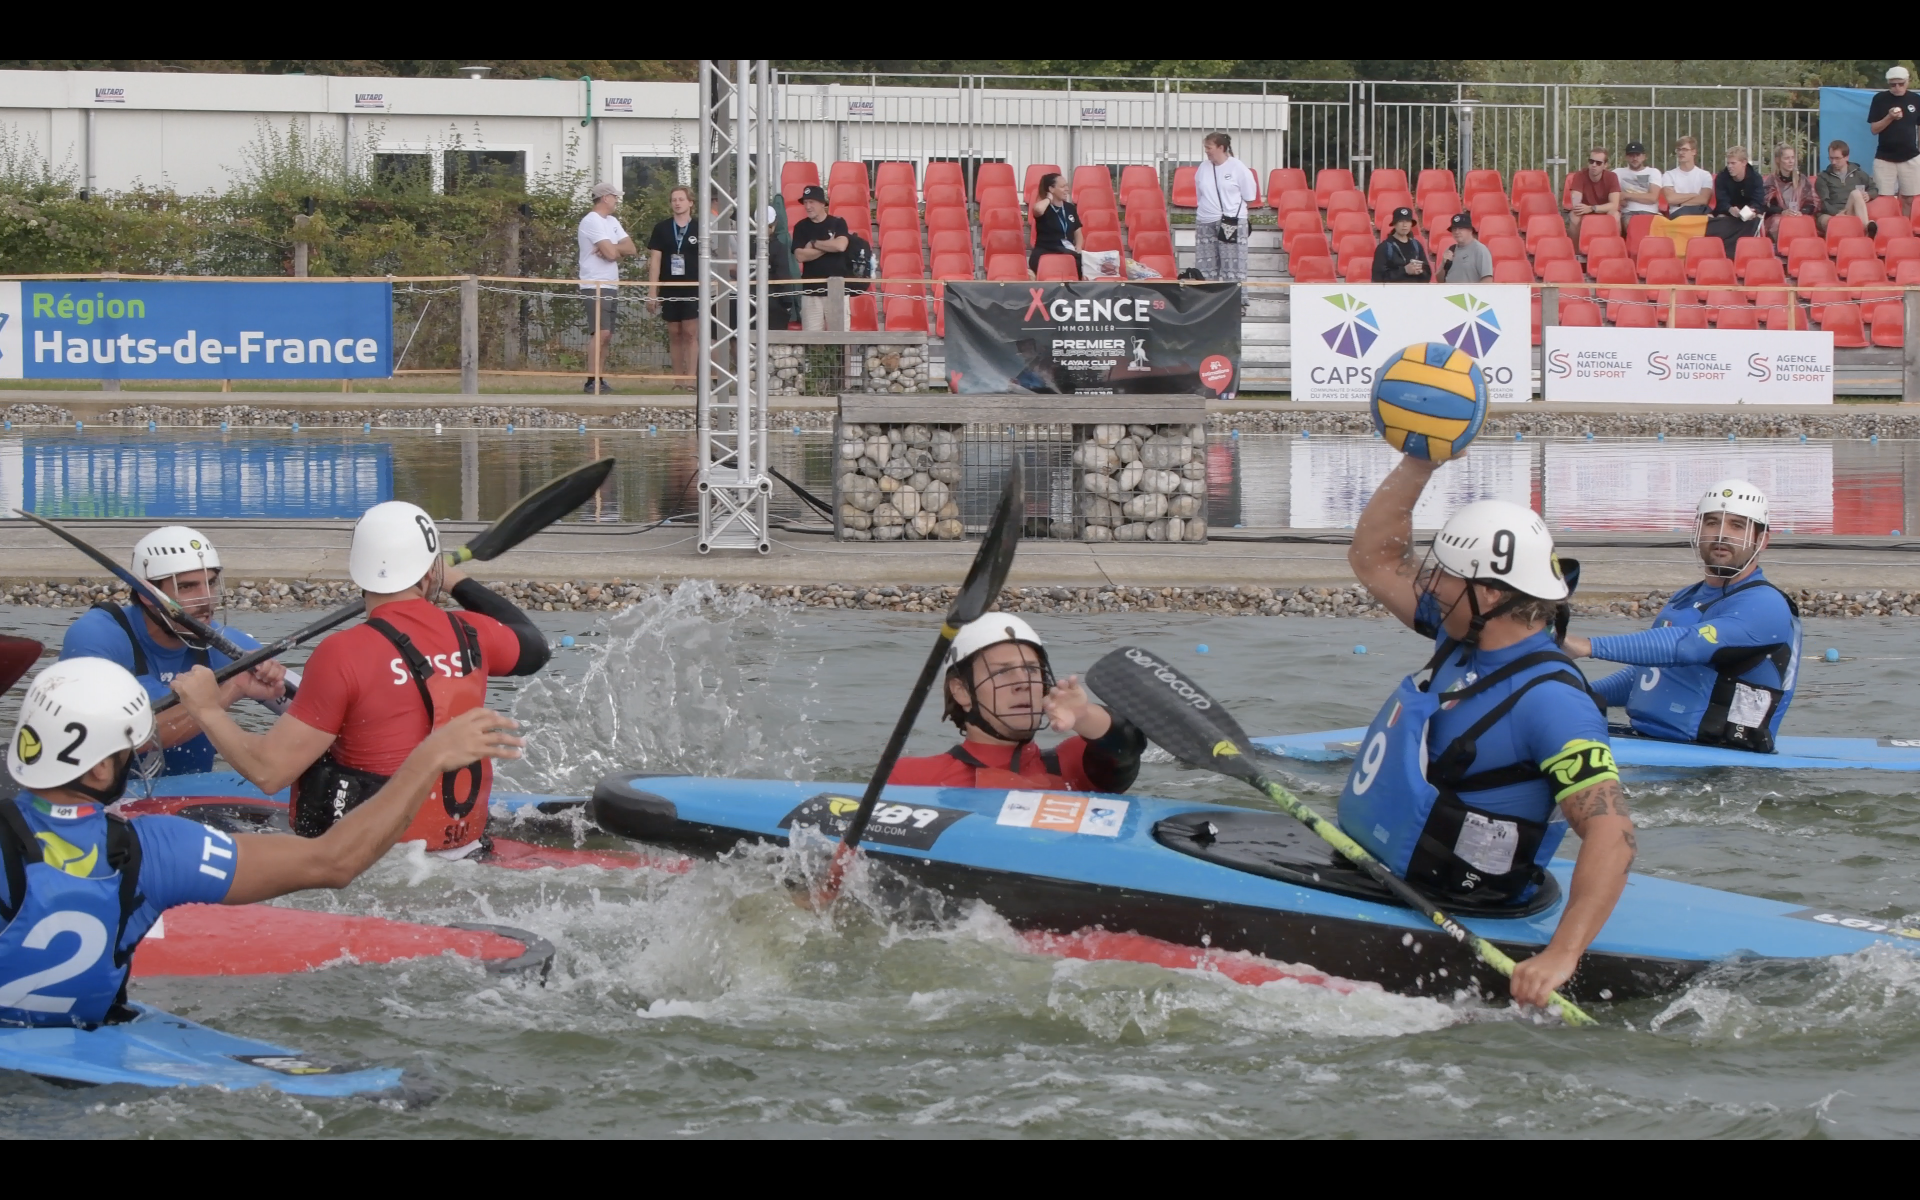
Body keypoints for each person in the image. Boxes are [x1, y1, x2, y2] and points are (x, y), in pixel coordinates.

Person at [0, 656, 522, 1029]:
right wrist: (427, 758)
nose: (140, 759)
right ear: (96, 770)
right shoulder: (156, 849)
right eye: (130, 752)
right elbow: (333, 862)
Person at [1345, 459, 1634, 1011]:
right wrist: (1420, 460)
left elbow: (1612, 832)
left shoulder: (1554, 703)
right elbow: (1373, 558)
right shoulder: (1462, 634)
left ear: (1492, 595)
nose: (1427, 581)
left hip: (1466, 902)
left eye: (1445, 573)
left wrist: (1562, 955)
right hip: (1392, 871)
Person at [168, 501, 550, 858]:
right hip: (468, 851)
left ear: (358, 570)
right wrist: (455, 580)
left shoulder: (343, 652)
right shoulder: (473, 634)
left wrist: (205, 708)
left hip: (373, 865)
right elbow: (534, 645)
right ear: (430, 571)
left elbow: (270, 772)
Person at [1563, 481, 1801, 754]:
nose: (1721, 535)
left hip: (1725, 768)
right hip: (1658, 740)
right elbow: (1649, 677)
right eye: (1712, 523)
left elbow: (1689, 645)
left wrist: (1587, 646)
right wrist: (1582, 696)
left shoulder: (1765, 604)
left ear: (1762, 540)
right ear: (1699, 530)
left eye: (1737, 526)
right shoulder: (1685, 597)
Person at [58, 526, 285, 777]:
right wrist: (233, 689)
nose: (206, 599)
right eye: (187, 587)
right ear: (147, 595)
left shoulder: (231, 645)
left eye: (210, 583)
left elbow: (312, 719)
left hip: (189, 796)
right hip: (104, 799)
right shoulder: (95, 636)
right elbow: (125, 741)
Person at [888, 615, 1145, 791]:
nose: (1024, 683)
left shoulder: (1073, 766)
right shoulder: (909, 778)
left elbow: (1127, 745)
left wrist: (1084, 716)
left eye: (1032, 671)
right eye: (1002, 671)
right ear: (962, 691)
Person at [577, 181, 636, 395]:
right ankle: (592, 379)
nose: (616, 200)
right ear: (605, 198)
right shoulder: (591, 220)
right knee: (600, 332)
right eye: (614, 197)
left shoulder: (611, 221)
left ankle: (600, 377)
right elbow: (611, 255)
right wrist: (613, 251)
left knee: (607, 334)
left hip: (611, 283)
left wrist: (613, 249)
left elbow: (631, 248)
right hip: (595, 283)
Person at [646, 185, 699, 392]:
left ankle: (691, 380)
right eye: (674, 199)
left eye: (681, 199)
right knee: (674, 332)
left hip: (693, 287)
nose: (677, 203)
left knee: (691, 332)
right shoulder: (662, 228)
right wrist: (653, 292)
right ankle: (678, 380)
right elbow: (655, 262)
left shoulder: (699, 228)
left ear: (690, 203)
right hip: (669, 286)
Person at [1194, 132, 1258, 304]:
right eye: (1205, 147)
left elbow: (1250, 195)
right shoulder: (1203, 167)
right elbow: (1199, 193)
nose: (1206, 151)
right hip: (1205, 220)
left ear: (1221, 148)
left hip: (1231, 221)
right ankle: (1206, 301)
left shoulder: (1238, 167)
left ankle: (1237, 302)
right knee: (1206, 265)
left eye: (1209, 147)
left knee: (1234, 265)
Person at [791, 184, 850, 331]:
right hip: (811, 292)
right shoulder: (801, 227)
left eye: (811, 202)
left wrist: (814, 243)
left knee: (840, 339)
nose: (807, 206)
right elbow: (800, 255)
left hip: (837, 291)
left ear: (822, 203)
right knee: (812, 340)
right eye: (805, 203)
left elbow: (841, 246)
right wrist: (830, 246)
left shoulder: (838, 222)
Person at [1869, 65, 1920, 218]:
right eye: (1892, 84)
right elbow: (1874, 129)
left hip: (1910, 156)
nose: (1897, 87)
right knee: (1884, 199)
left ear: (1907, 82)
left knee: (1909, 198)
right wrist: (1889, 117)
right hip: (1885, 157)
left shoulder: (1915, 99)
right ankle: (1886, 228)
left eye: (1900, 84)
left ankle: (1904, 227)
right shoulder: (1879, 99)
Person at [1708, 146, 1770, 257]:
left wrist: (1752, 210)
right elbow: (1721, 201)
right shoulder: (1722, 178)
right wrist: (1730, 209)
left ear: (1744, 162)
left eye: (1733, 163)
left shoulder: (1756, 178)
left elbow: (1758, 202)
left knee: (1754, 220)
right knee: (1720, 220)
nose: (1729, 167)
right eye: (1728, 163)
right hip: (1728, 212)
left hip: (1749, 213)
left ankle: (1743, 253)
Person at [1815, 139, 1878, 235]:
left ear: (1846, 157)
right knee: (1831, 221)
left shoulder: (1859, 174)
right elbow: (1824, 203)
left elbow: (1874, 188)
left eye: (1837, 158)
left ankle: (1865, 227)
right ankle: (1866, 228)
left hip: (1852, 211)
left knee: (1856, 194)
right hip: (1830, 214)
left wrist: (1869, 195)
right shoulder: (1823, 177)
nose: (1833, 162)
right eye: (1831, 158)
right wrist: (1837, 214)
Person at [1028, 172, 1083, 277]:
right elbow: (1038, 210)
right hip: (1046, 251)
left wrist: (1079, 247)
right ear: (1051, 189)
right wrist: (1049, 198)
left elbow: (1078, 231)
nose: (1067, 189)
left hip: (1066, 252)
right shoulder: (1044, 208)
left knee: (1082, 264)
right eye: (1063, 186)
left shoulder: (1070, 208)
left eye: (1067, 185)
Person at [1563, 146, 1621, 241]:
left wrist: (1592, 208)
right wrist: (1586, 209)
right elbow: (1576, 204)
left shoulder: (1612, 177)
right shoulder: (1580, 175)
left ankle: (1615, 248)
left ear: (1605, 165)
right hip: (1585, 210)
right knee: (1574, 216)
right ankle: (1576, 253)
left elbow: (1614, 205)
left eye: (1598, 163)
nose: (1594, 165)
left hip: (1602, 210)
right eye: (1591, 161)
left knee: (1615, 215)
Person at [1763, 144, 1819, 242]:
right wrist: (1782, 212)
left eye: (1793, 157)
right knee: (1778, 222)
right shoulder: (1771, 181)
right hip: (1778, 217)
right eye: (1787, 158)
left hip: (1799, 214)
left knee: (1806, 221)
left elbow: (1811, 203)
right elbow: (1766, 205)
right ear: (1778, 160)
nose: (1791, 161)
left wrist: (1802, 212)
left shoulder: (1802, 180)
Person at [1615, 141, 1663, 234]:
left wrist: (1626, 195)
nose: (1635, 158)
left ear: (1644, 156)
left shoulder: (1653, 172)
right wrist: (1618, 200)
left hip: (1651, 213)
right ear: (1626, 157)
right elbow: (1609, 193)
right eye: (1631, 155)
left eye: (1638, 154)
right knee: (1634, 228)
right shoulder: (1618, 172)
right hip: (1629, 213)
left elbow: (1652, 198)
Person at [1371, 207, 1430, 282]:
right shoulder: (1384, 248)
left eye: (1408, 221)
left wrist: (1421, 271)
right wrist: (1404, 270)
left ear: (1411, 224)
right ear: (1394, 224)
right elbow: (1378, 278)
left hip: (1415, 291)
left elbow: (1428, 274)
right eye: (1401, 221)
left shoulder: (1417, 245)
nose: (1404, 225)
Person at [1662, 136, 1715, 217]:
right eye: (1678, 149)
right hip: (1678, 214)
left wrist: (1679, 203)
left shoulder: (1705, 175)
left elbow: (1703, 199)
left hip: (1698, 212)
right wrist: (1694, 195)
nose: (1681, 153)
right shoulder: (1669, 175)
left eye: (1685, 149)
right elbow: (1671, 199)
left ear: (1694, 152)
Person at [1440, 213, 1493, 283]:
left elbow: (1487, 280)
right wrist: (1444, 265)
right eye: (1454, 229)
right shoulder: (1450, 250)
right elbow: (1440, 280)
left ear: (1470, 230)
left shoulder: (1480, 250)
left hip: (1469, 293)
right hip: (1450, 293)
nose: (1457, 232)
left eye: (1461, 228)